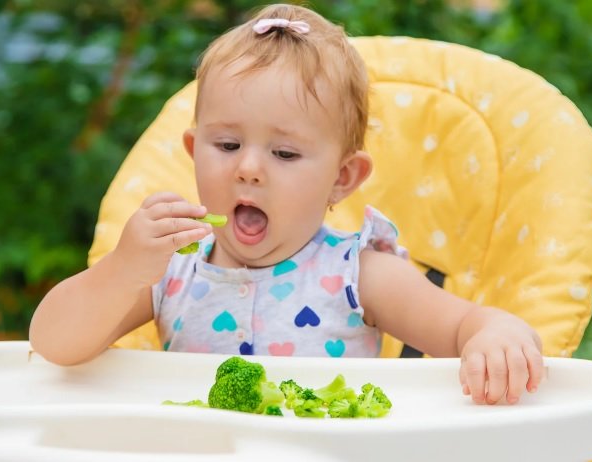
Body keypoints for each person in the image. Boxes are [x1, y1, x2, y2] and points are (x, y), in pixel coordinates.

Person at [29, 3, 544, 405]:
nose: (248, 168)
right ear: (193, 152)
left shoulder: (360, 273)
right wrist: (123, 270)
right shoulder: (173, 271)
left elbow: (461, 326)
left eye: (285, 153)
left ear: (342, 178)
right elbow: (54, 345)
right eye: (227, 146)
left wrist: (495, 333)